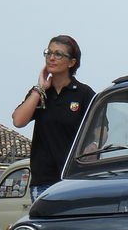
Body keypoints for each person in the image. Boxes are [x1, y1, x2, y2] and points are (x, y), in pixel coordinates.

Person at [13, 35, 95, 201]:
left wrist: (91, 149)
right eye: (48, 53)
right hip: (43, 180)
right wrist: (39, 88)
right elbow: (18, 120)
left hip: (74, 179)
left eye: (58, 54)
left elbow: (101, 130)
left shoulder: (83, 94)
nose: (51, 58)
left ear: (71, 62)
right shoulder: (40, 94)